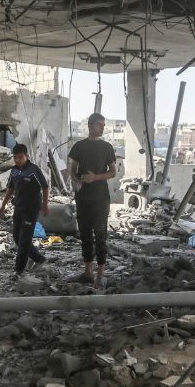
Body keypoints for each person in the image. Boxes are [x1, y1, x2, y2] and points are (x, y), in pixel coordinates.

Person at [67, 113, 117, 285]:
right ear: (90, 125)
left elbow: (113, 172)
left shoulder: (107, 147)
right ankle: (88, 272)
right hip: (83, 197)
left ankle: (100, 275)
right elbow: (72, 169)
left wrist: (95, 177)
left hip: (101, 198)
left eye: (103, 125)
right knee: (85, 234)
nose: (102, 128)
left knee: (101, 235)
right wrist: (77, 182)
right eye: (99, 125)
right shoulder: (79, 146)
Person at [0, 143, 49, 279]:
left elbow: (45, 187)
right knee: (16, 237)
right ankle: (39, 258)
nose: (17, 160)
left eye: (20, 157)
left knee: (25, 239)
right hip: (19, 207)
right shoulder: (14, 170)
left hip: (31, 208)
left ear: (27, 156)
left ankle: (18, 270)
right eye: (15, 157)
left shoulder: (33, 170)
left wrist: (45, 205)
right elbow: (10, 188)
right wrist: (3, 205)